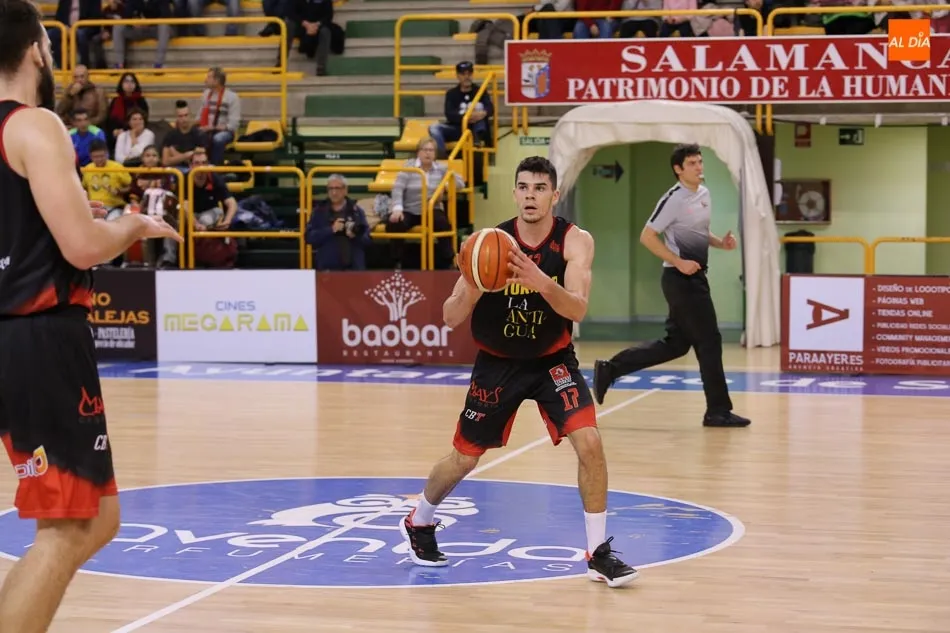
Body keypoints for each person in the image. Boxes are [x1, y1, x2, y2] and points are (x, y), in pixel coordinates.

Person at [0, 2, 182, 630]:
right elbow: (81, 247)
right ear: (36, 51)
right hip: (38, 335)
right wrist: (130, 225)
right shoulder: (34, 124)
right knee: (71, 526)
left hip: (16, 337)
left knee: (96, 519)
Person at [400, 156, 639, 589]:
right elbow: (450, 317)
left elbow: (578, 309)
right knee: (464, 458)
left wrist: (539, 280)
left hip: (552, 360)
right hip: (498, 363)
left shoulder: (574, 241)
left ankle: (597, 553)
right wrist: (474, 286)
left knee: (590, 443)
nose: (531, 195)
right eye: (524, 187)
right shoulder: (488, 244)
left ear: (554, 195)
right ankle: (420, 519)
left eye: (540, 188)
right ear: (514, 193)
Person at [592, 143, 750, 429]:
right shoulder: (673, 199)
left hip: (695, 278)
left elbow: (697, 231)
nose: (699, 167)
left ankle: (610, 369)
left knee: (676, 345)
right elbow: (647, 236)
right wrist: (678, 262)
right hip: (680, 280)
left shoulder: (704, 194)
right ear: (678, 169)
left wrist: (720, 243)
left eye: (700, 162)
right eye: (692, 163)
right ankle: (717, 411)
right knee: (709, 341)